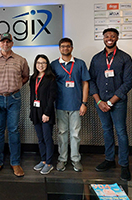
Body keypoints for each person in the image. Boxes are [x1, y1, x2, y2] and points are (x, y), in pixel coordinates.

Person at [89, 28, 132, 181]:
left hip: (118, 103)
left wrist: (110, 101)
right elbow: (91, 81)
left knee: (121, 132)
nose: (110, 38)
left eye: (113, 36)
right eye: (107, 36)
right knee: (107, 130)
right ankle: (109, 160)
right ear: (103, 38)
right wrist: (99, 101)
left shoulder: (125, 58)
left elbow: (128, 83)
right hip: (100, 103)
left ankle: (124, 165)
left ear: (117, 38)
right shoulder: (96, 59)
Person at [0, 32, 30, 177]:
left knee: (13, 130)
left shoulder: (21, 60)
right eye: (3, 42)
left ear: (12, 43)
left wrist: (15, 86)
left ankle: (15, 162)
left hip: (14, 99)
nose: (5, 44)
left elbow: (25, 76)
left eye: (8, 42)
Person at [51, 38, 91, 172]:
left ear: (72, 48)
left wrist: (84, 103)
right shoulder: (54, 65)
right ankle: (62, 159)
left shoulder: (80, 64)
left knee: (75, 134)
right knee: (62, 133)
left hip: (76, 105)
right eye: (63, 46)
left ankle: (75, 159)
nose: (65, 48)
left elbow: (85, 83)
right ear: (59, 48)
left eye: (68, 46)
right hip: (60, 105)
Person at [30, 54, 57, 175]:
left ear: (47, 65)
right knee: (40, 139)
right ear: (35, 65)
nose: (41, 65)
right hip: (36, 112)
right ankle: (43, 160)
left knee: (47, 138)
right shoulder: (33, 78)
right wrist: (32, 112)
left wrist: (47, 113)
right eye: (39, 63)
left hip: (46, 113)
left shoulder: (50, 78)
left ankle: (49, 163)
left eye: (44, 63)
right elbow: (32, 96)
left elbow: (52, 97)